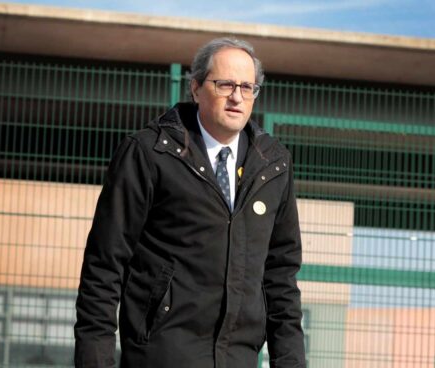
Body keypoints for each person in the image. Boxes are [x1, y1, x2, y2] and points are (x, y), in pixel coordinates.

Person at [74, 37, 306, 368]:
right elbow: (104, 265)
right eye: (224, 85)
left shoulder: (273, 165)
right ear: (195, 89)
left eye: (247, 87)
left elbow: (280, 278)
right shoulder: (150, 153)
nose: (237, 97)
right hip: (162, 354)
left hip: (237, 358)